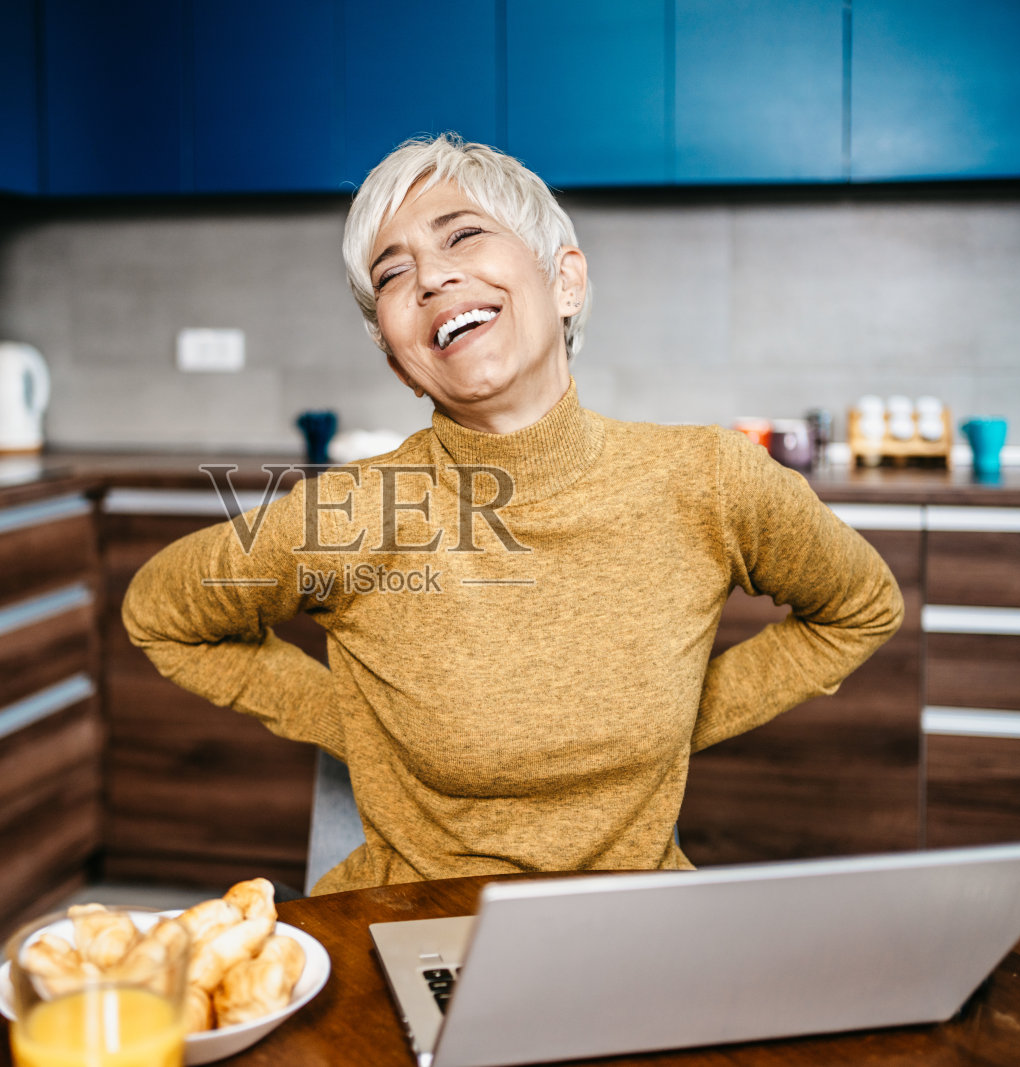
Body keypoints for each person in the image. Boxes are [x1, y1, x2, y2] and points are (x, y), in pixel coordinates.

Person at [122, 134, 903, 895]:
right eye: (394, 274)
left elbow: (861, 608)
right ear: (400, 361)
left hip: (635, 926)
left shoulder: (711, 480)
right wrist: (359, 723)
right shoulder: (353, 512)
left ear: (565, 281)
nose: (430, 277)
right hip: (408, 924)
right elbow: (161, 612)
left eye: (462, 234)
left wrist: (682, 707)